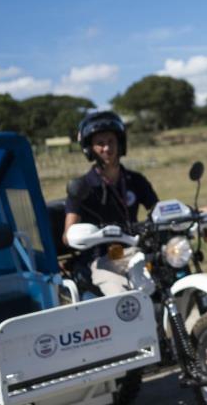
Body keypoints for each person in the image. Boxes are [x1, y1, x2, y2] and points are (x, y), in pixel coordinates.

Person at [64, 111, 159, 296]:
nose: (107, 148)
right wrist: (92, 234)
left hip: (135, 250)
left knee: (169, 275)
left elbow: (158, 211)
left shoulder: (135, 180)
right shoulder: (82, 186)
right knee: (120, 297)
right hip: (101, 259)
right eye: (100, 143)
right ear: (89, 148)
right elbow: (67, 235)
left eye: (111, 141)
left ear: (120, 144)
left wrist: (188, 211)